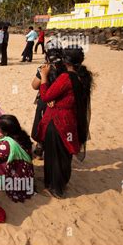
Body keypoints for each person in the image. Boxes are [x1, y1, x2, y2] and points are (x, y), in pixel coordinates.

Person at [36, 46, 93, 198]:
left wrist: (44, 76)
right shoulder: (83, 75)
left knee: (55, 154)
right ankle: (56, 182)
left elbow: (46, 96)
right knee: (63, 154)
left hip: (59, 121)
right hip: (70, 120)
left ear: (66, 61)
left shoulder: (66, 77)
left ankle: (55, 188)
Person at [31, 45, 65, 158]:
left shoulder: (43, 68)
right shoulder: (66, 69)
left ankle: (40, 146)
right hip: (61, 102)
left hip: (44, 102)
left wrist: (42, 75)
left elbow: (34, 86)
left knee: (41, 124)